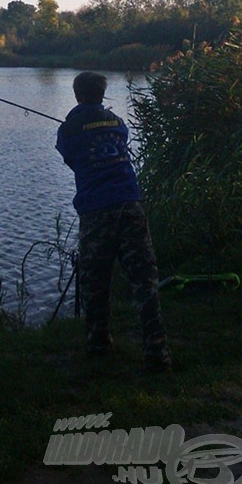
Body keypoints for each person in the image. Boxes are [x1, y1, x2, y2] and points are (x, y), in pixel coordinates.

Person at [55, 71, 171, 372]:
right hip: (131, 204)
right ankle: (157, 352)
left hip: (97, 210)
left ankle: (98, 345)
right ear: (102, 93)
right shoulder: (118, 123)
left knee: (95, 281)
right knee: (144, 281)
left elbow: (70, 158)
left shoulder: (70, 128)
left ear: (77, 93)